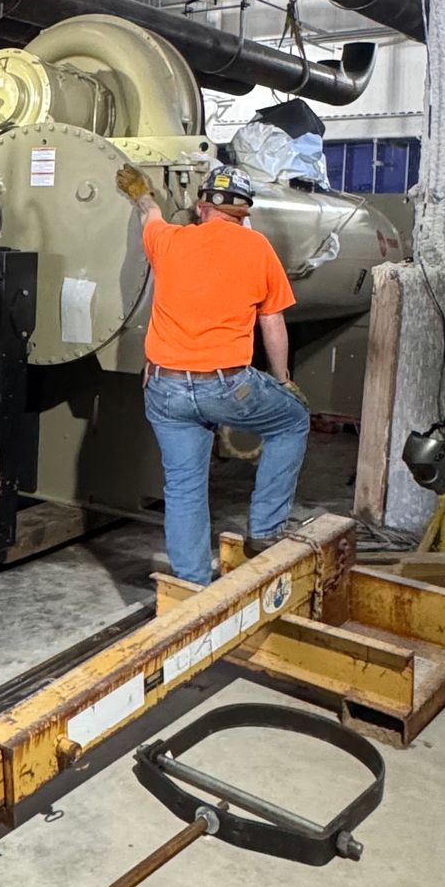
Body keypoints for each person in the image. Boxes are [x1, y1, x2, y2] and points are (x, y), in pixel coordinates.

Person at [117, 159, 311, 582]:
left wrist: (142, 194)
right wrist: (283, 380)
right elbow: (272, 322)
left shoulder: (170, 240)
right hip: (226, 387)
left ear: (202, 207)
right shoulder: (257, 247)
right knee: (292, 420)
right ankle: (266, 529)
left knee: (183, 487)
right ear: (245, 213)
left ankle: (191, 584)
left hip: (165, 388)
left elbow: (150, 215)